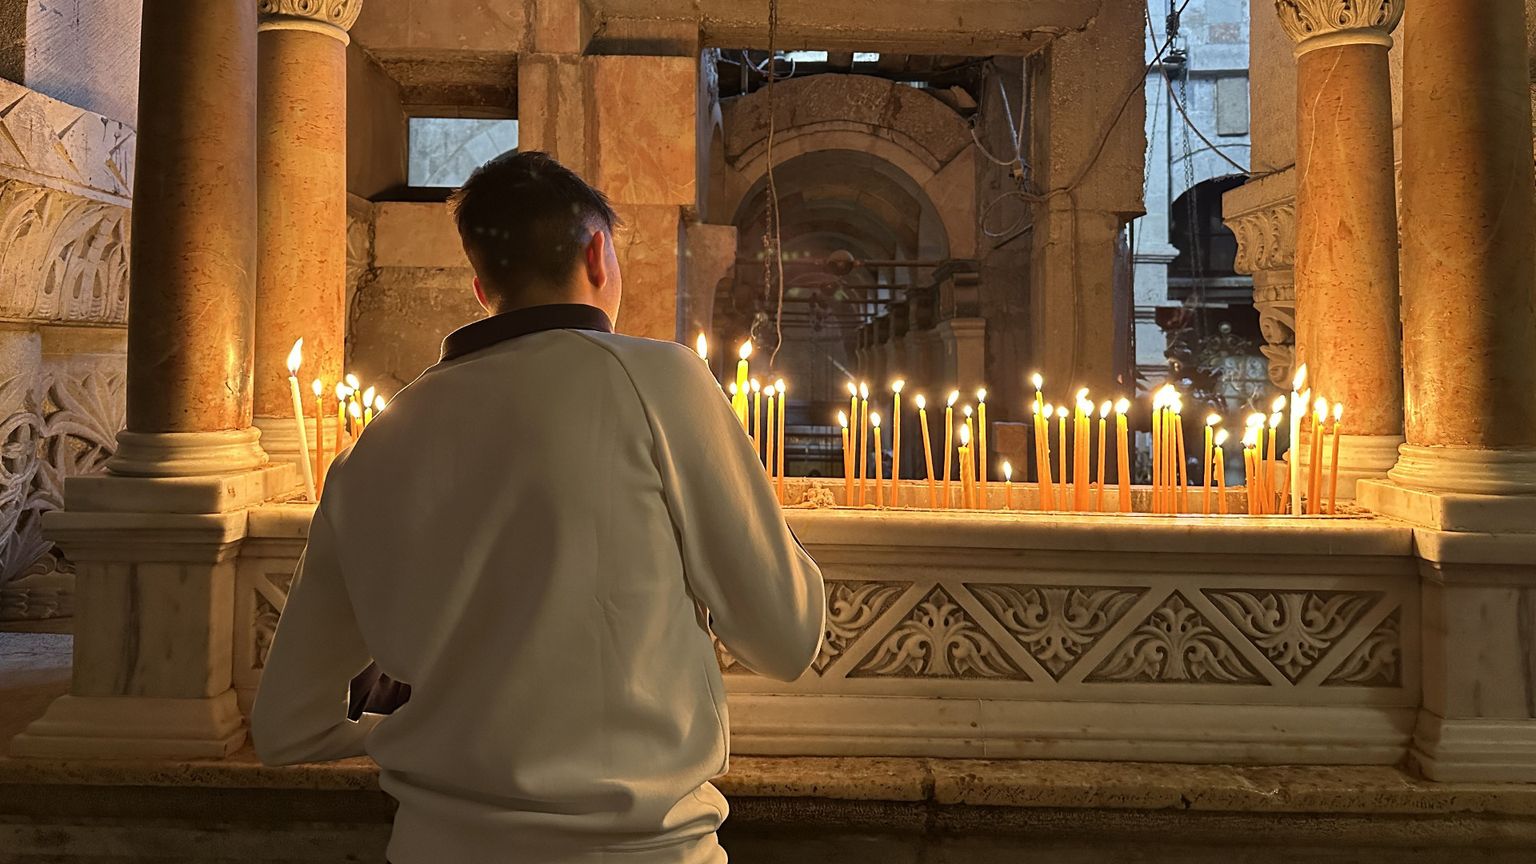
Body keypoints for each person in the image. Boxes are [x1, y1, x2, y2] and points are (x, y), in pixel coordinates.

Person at [251, 150, 826, 864]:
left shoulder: (375, 445)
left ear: (479, 286)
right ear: (597, 254)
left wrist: (442, 727)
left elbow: (287, 728)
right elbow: (787, 636)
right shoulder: (660, 380)